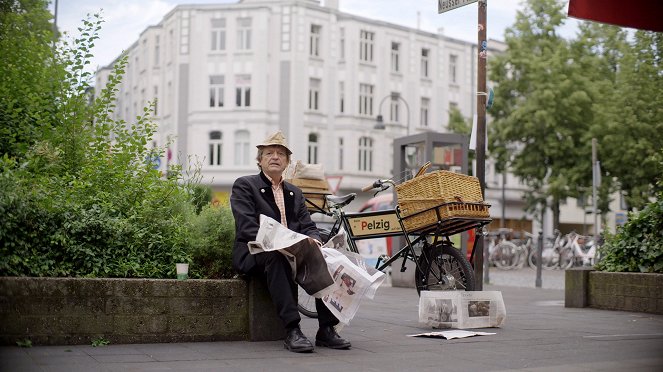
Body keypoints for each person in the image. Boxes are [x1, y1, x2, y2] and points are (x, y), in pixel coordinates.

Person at [230, 131, 351, 353]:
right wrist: (284, 242)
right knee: (277, 257)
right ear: (260, 160)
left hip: (294, 251)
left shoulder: (294, 192)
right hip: (254, 253)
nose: (275, 156)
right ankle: (292, 329)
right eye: (269, 153)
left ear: (287, 161)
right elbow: (247, 229)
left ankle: (326, 329)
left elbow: (308, 226)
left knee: (329, 258)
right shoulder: (245, 185)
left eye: (280, 154)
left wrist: (313, 240)